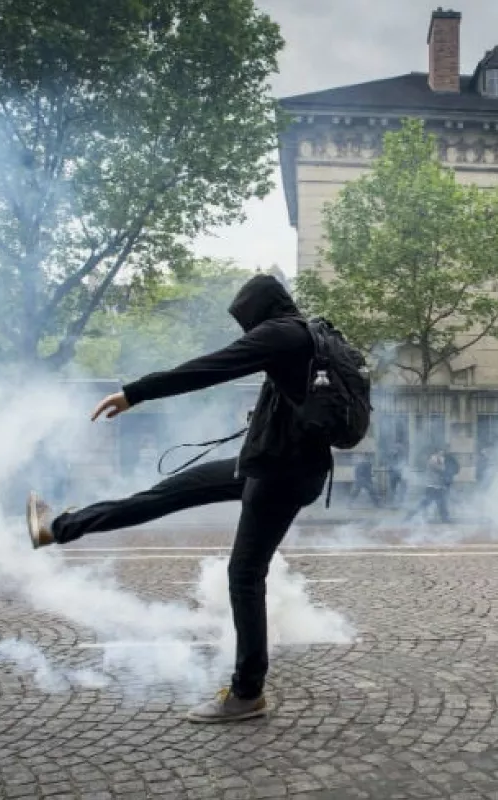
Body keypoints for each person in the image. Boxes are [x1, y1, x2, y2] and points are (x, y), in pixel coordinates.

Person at [24, 274, 332, 724]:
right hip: (269, 461)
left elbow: (209, 367)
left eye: (245, 320)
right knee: (164, 494)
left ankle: (247, 693)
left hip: (281, 472)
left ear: (259, 311)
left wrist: (136, 392)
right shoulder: (306, 334)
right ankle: (57, 528)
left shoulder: (282, 334)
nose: (245, 332)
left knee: (245, 574)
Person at [406, 448, 452, 523]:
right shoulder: (433, 460)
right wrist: (442, 463)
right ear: (437, 452)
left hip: (438, 486)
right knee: (424, 503)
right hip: (432, 486)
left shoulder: (438, 459)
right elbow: (441, 469)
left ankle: (445, 518)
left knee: (442, 503)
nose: (442, 454)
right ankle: (410, 515)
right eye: (441, 452)